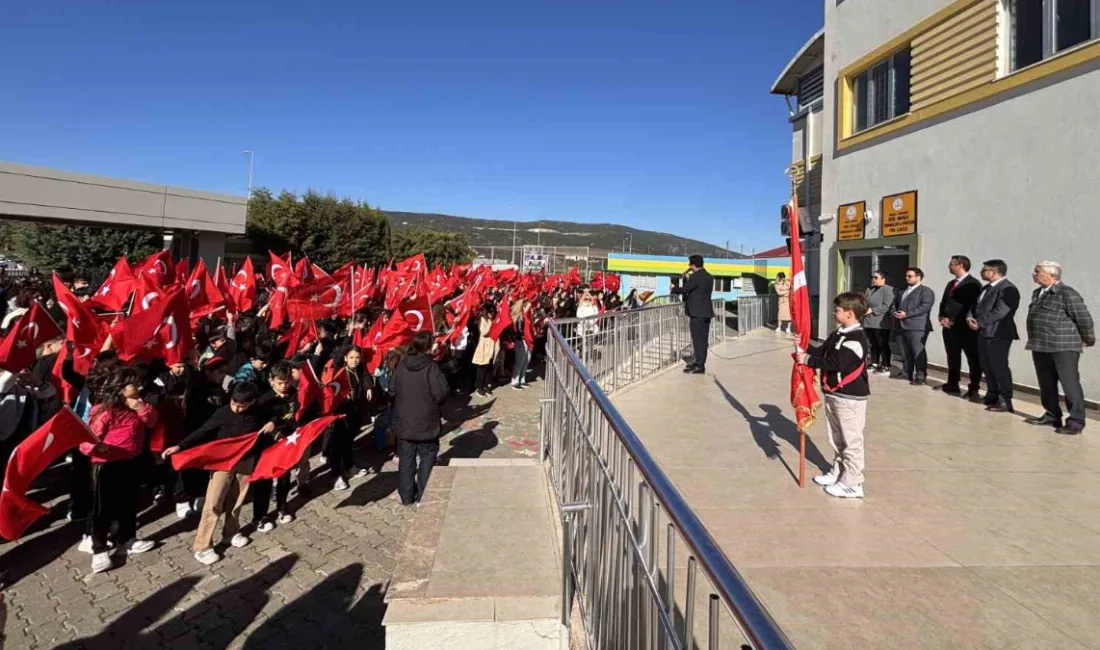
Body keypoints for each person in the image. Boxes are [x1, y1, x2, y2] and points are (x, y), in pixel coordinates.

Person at [163, 381, 275, 566]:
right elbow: (202, 431)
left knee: (237, 500)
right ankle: (202, 545)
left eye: (242, 406)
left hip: (246, 462)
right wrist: (180, 446)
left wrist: (272, 422)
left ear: (252, 402)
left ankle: (230, 533)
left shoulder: (259, 411)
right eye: (234, 404)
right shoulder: (222, 413)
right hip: (223, 463)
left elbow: (275, 414)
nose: (237, 409)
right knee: (213, 503)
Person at [78, 367, 158, 573]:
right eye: (133, 384)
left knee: (129, 504)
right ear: (120, 389)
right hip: (106, 465)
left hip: (130, 462)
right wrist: (97, 447)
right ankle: (99, 549)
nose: (139, 387)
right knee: (102, 509)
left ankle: (128, 539)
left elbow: (151, 422)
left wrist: (141, 407)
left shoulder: (137, 406)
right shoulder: (103, 412)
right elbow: (85, 441)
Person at [798, 292, 870, 499]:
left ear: (849, 313)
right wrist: (804, 346)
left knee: (851, 439)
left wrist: (808, 360)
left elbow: (837, 364)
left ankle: (853, 482)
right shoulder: (839, 333)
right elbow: (823, 352)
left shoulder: (856, 339)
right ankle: (839, 471)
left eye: (837, 310)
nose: (833, 313)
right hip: (834, 393)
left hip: (850, 397)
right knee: (837, 437)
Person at [1024, 261, 1095, 435]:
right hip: (1041, 345)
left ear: (1052, 275)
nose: (1033, 274)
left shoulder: (1066, 293)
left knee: (1069, 384)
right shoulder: (1038, 293)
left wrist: (1088, 340)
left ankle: (1076, 420)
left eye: (1037, 271)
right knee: (1046, 383)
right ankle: (1051, 414)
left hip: (1063, 347)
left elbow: (1083, 318)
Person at [390, 331, 449, 506]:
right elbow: (441, 393)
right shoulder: (431, 367)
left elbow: (391, 389)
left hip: (405, 421)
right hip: (427, 421)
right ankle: (423, 495)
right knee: (427, 458)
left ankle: (407, 497)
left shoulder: (401, 364)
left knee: (406, 460)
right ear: (429, 347)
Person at [967, 259, 1020, 413]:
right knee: (986, 365)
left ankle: (1005, 400)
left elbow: (1000, 311)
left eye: (985, 270)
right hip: (983, 332)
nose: (982, 273)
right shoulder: (986, 288)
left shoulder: (1008, 289)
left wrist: (979, 322)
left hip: (998, 333)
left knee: (999, 366)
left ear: (995, 272)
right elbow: (975, 306)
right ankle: (992, 394)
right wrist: (970, 318)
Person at [936, 255, 983, 399]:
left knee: (972, 359)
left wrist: (954, 320)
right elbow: (944, 302)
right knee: (952, 356)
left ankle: (974, 388)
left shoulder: (973, 284)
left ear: (961, 265)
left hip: (966, 328)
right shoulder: (951, 283)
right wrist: (942, 316)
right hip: (949, 328)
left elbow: (970, 306)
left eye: (951, 264)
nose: (949, 267)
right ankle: (953, 383)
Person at [328, 345, 373, 490]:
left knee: (348, 441)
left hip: (355, 411)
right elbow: (331, 390)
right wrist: (342, 394)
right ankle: (336, 475)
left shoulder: (359, 369)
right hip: (340, 414)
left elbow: (365, 376)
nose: (355, 361)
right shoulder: (340, 372)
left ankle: (349, 466)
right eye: (352, 358)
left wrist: (369, 387)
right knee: (337, 445)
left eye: (357, 358)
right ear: (346, 358)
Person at [671, 254, 714, 374]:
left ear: (693, 265)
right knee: (703, 340)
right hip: (706, 312)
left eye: (690, 264)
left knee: (697, 340)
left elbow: (684, 290)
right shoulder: (709, 277)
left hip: (697, 313)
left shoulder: (695, 277)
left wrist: (674, 288)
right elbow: (698, 288)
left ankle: (700, 366)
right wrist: (689, 278)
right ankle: (699, 362)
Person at [891, 267, 935, 385]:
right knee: (904, 351)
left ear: (918, 277)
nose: (907, 278)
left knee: (917, 351)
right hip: (900, 325)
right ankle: (906, 372)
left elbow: (924, 307)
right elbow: (894, 304)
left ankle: (920, 376)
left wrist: (906, 314)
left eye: (909, 276)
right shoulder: (901, 292)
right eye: (906, 276)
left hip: (917, 326)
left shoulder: (926, 291)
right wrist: (894, 312)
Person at [862, 270, 895, 375]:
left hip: (881, 322)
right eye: (873, 277)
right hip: (868, 320)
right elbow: (865, 301)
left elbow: (886, 305)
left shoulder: (888, 290)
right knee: (873, 343)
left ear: (883, 279)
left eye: (876, 277)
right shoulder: (870, 289)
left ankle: (885, 364)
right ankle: (874, 362)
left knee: (882, 343)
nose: (873, 279)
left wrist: (872, 310)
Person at [471, 304, 498, 397]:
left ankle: (486, 385)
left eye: (493, 312)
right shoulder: (482, 319)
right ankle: (479, 387)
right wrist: (492, 324)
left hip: (491, 346)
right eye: (490, 312)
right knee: (482, 367)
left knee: (489, 367)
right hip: (484, 346)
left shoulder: (491, 320)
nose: (492, 314)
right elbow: (484, 331)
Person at [510, 299, 531, 390]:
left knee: (527, 360)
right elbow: (517, 330)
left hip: (526, 341)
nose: (530, 309)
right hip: (520, 341)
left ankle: (522, 379)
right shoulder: (519, 317)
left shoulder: (526, 316)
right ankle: (515, 381)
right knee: (519, 361)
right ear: (523, 307)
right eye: (528, 307)